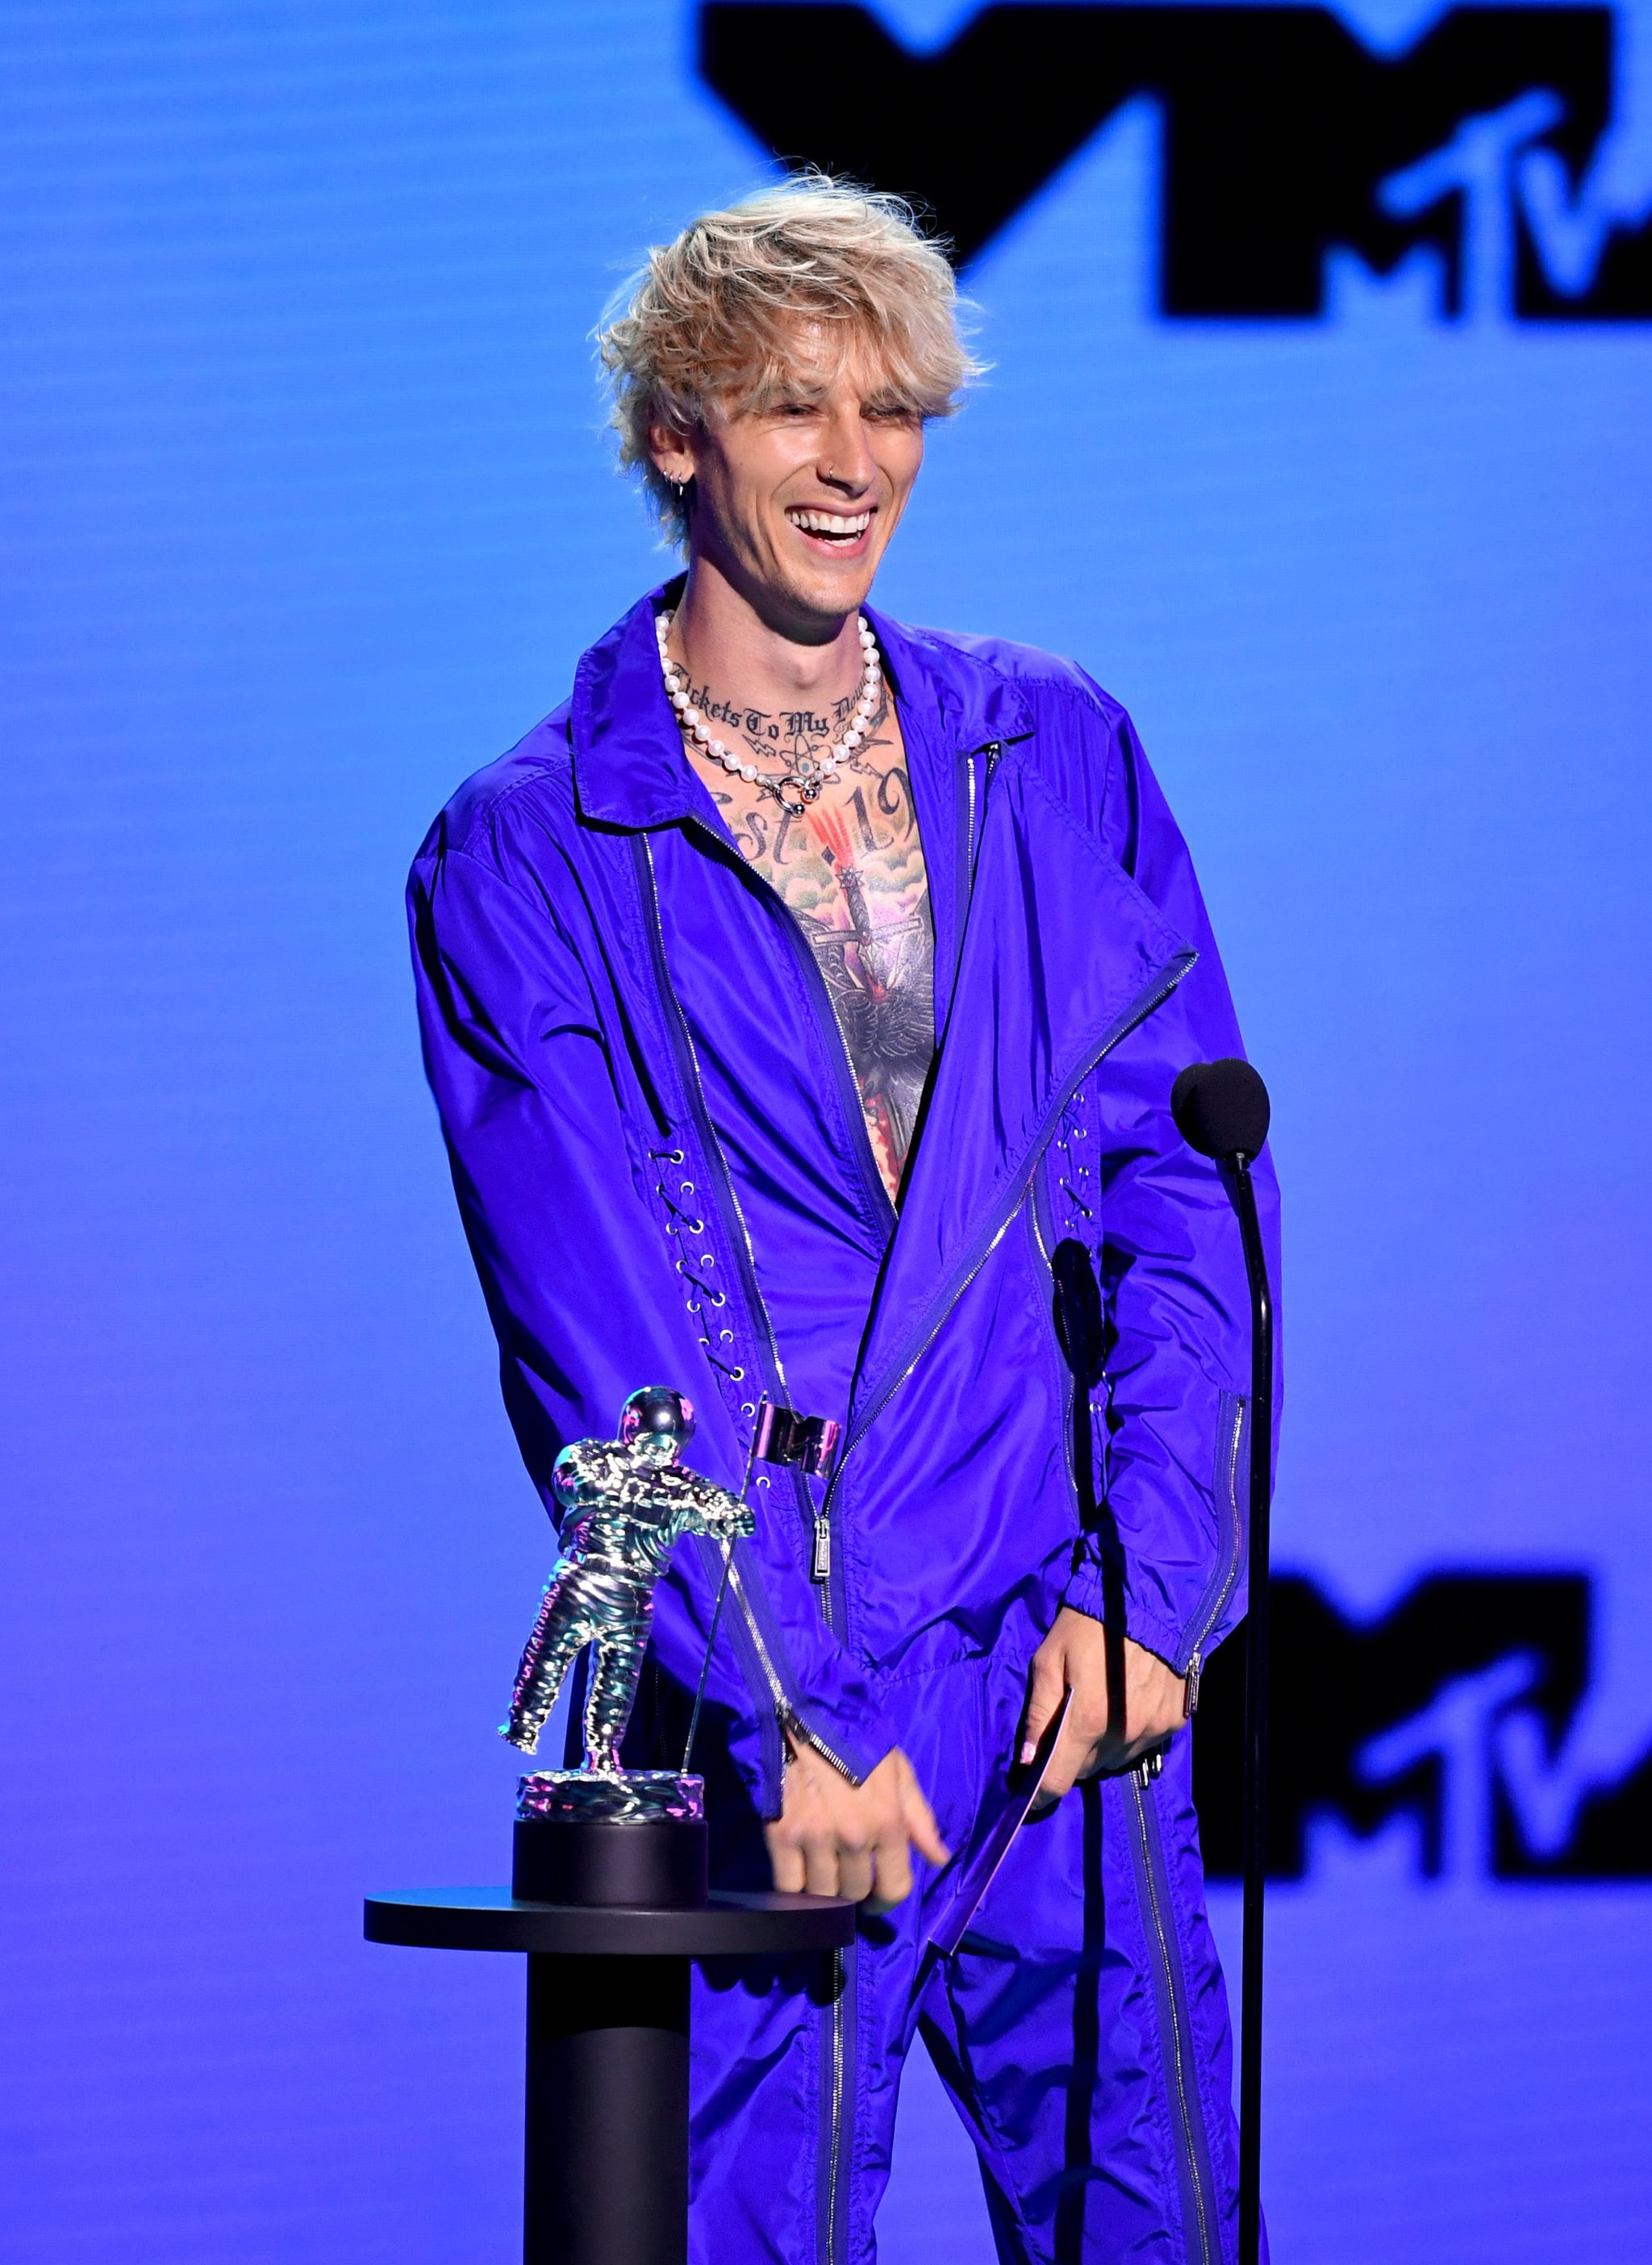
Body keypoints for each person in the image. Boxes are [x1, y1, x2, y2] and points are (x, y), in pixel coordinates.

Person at [408, 176, 1279, 2265]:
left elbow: (1192, 1176)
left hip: (1065, 1654)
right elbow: (596, 1324)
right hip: (784, 1689)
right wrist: (788, 1703)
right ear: (674, 436)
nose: (856, 461)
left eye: (893, 408)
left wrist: (1158, 1594)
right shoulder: (528, 851)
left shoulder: (1049, 746)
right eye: (796, 407)